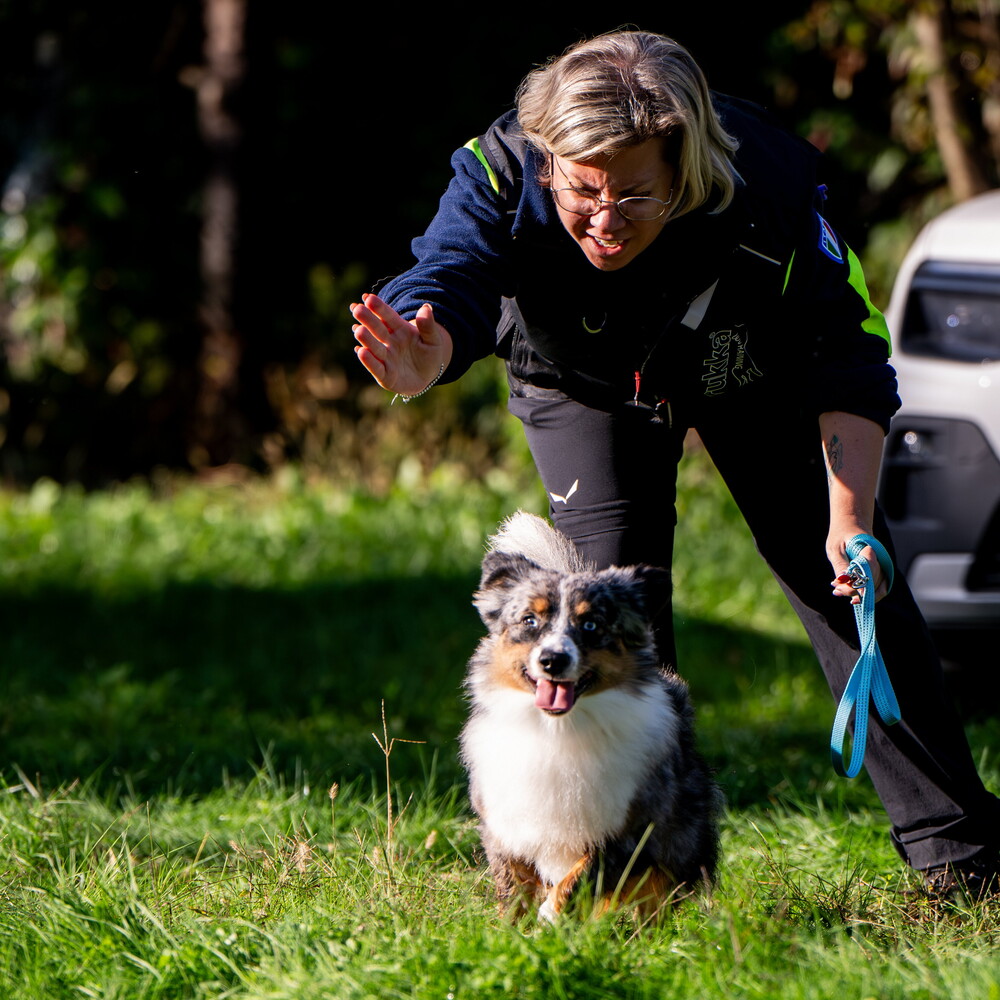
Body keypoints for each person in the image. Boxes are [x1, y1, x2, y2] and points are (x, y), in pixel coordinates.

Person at [351, 30, 1000, 897]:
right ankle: (641, 867)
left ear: (687, 170)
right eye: (584, 191)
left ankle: (963, 864)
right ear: (550, 163)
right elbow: (449, 275)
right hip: (581, 383)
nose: (606, 219)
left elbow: (848, 348)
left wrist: (847, 521)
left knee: (849, 583)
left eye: (636, 194)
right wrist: (423, 354)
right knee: (613, 620)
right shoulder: (503, 168)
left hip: (749, 369)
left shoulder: (766, 185)